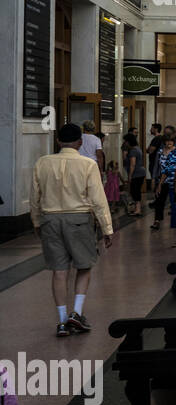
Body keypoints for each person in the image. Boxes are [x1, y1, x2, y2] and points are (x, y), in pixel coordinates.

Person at [30, 124, 114, 337]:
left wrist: (37, 222)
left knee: (59, 271)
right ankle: (76, 313)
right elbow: (98, 199)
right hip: (79, 220)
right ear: (80, 142)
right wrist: (107, 228)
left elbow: (34, 197)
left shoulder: (43, 163)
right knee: (84, 265)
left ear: (58, 141)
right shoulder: (88, 164)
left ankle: (60, 321)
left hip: (50, 219)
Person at [151, 135, 176, 231]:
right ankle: (157, 220)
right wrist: (154, 179)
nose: (169, 143)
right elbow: (156, 166)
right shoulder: (160, 152)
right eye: (167, 141)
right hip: (162, 180)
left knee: (175, 202)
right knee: (159, 200)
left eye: (171, 141)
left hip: (173, 180)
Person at [124, 134, 146, 216]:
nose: (125, 143)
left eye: (125, 141)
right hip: (141, 172)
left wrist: (130, 175)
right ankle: (137, 208)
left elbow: (132, 164)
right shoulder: (138, 148)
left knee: (135, 191)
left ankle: (137, 209)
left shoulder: (133, 150)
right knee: (136, 191)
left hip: (136, 173)